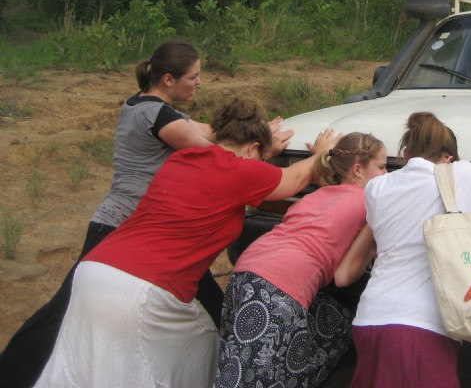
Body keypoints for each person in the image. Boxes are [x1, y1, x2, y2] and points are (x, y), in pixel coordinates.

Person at [0, 39, 293, 388]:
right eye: (193, 76)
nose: (198, 82)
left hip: (150, 234)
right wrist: (260, 147)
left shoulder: (149, 107)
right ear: (168, 79)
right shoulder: (157, 115)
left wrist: (254, 131)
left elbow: (214, 132)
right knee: (65, 312)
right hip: (125, 227)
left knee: (206, 312)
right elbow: (216, 151)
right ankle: (15, 372)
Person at [33, 97, 339, 388]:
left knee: (78, 371)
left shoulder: (183, 158)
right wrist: (320, 155)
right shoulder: (238, 170)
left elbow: (237, 181)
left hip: (94, 272)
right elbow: (294, 180)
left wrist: (260, 160)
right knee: (176, 359)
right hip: (143, 288)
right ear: (255, 148)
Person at [349, 111, 471, 388]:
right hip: (421, 325)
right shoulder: (460, 174)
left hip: (370, 317)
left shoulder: (376, 187)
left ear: (406, 153)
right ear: (448, 157)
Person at [215, 132, 388, 388]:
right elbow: (344, 277)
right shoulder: (369, 201)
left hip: (247, 271)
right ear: (357, 169)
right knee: (248, 381)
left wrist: (320, 156)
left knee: (240, 366)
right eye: (382, 167)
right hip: (281, 287)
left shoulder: (321, 195)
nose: (387, 175)